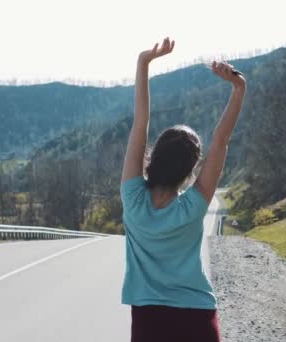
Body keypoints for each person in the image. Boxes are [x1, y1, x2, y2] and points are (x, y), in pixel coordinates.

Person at [120, 37, 246, 342]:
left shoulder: (132, 197)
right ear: (191, 170)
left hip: (149, 320)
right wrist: (239, 88)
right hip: (196, 319)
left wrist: (144, 62)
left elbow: (140, 122)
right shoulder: (193, 207)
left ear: (154, 155)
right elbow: (221, 141)